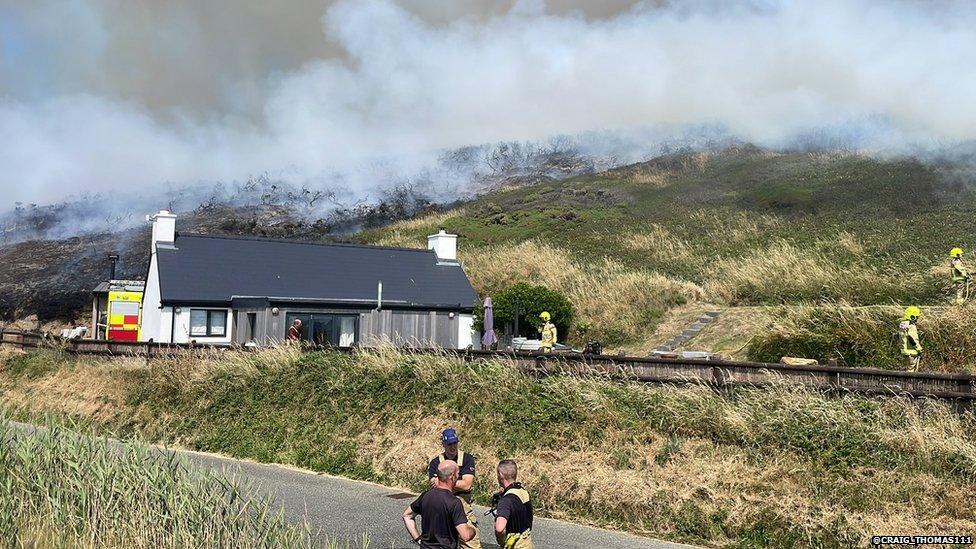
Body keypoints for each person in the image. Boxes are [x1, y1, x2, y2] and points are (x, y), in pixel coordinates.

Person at [428, 428, 481, 549]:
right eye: (449, 444)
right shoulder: (436, 462)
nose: (453, 447)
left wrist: (443, 481)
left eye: (455, 443)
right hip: (442, 508)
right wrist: (457, 483)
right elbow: (434, 484)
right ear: (443, 444)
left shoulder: (467, 459)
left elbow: (467, 485)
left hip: (463, 509)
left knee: (470, 543)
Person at [404, 460, 476, 548]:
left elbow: (407, 516)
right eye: (458, 474)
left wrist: (418, 539)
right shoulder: (454, 502)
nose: (458, 476)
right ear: (452, 476)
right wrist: (472, 530)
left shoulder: (425, 496)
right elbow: (465, 535)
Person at [491, 460, 534, 549]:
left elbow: (500, 528)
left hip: (514, 545)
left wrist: (502, 542)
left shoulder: (506, 501)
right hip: (527, 543)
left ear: (501, 475)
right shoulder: (523, 491)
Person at [899, 306, 922, 371]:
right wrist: (919, 349)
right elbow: (912, 339)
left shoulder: (902, 325)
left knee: (907, 368)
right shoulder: (911, 327)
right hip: (913, 352)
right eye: (916, 317)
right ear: (912, 317)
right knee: (911, 370)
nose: (917, 319)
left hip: (905, 351)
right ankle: (908, 381)